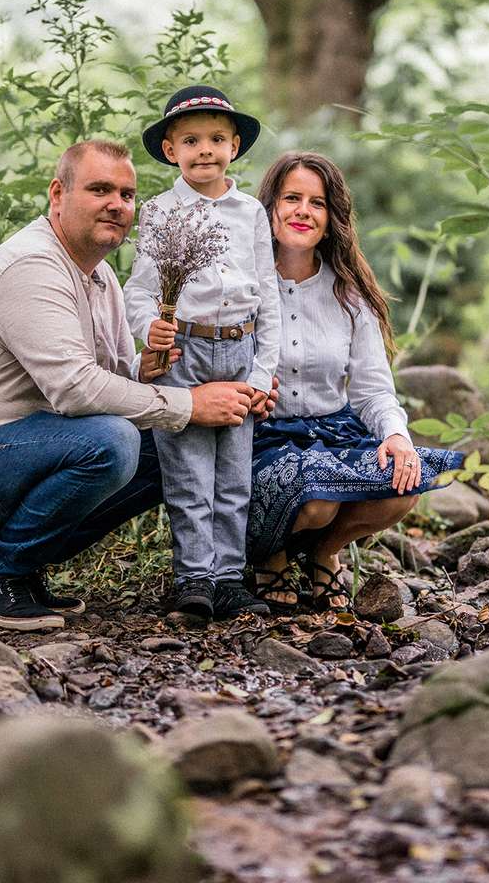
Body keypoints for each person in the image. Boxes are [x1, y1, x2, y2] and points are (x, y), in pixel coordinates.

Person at [0, 139, 267, 632]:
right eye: (99, 190)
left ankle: (202, 578)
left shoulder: (100, 279)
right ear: (57, 194)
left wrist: (154, 367)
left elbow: (113, 380)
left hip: (20, 448)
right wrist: (188, 403)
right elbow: (74, 391)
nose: (117, 204)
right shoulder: (33, 266)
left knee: (169, 448)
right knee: (112, 441)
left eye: (127, 194)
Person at [248, 151, 465, 612]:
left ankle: (324, 552)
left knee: (406, 481)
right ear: (269, 207)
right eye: (291, 198)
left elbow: (371, 389)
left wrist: (395, 435)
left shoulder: (349, 295)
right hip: (259, 440)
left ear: (332, 219)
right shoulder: (241, 284)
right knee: (318, 499)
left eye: (318, 202)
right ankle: (267, 552)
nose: (303, 211)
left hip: (332, 432)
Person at [125, 85, 282, 619]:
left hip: (239, 349)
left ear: (235, 146)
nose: (205, 150)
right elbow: (140, 290)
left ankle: (230, 577)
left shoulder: (251, 214)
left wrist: (262, 373)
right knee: (189, 473)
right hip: (184, 353)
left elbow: (269, 299)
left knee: (234, 475)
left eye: (217, 138)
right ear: (171, 150)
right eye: (191, 140)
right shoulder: (160, 212)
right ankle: (194, 578)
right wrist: (151, 328)